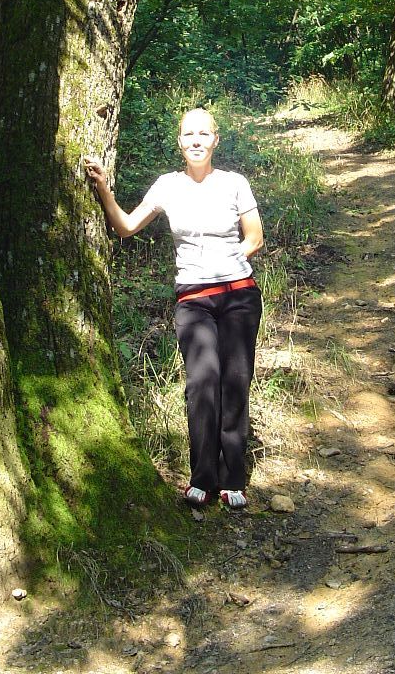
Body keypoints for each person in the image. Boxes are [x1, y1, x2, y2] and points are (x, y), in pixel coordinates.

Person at [84, 108, 264, 509]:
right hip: (194, 299)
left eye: (203, 133)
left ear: (216, 140)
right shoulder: (167, 185)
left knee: (235, 382)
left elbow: (254, 237)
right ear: (180, 141)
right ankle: (202, 478)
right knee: (202, 382)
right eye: (188, 134)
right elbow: (127, 226)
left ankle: (233, 478)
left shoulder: (234, 183)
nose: (196, 140)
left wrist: (228, 260)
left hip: (238, 294)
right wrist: (104, 189)